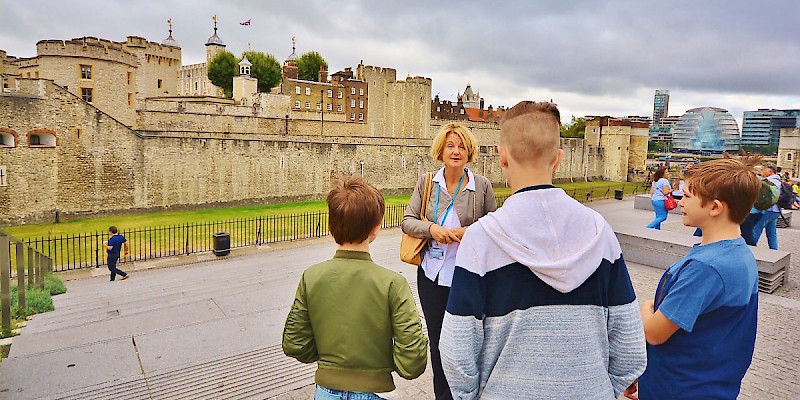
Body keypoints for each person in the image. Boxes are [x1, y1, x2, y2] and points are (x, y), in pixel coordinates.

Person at [440, 101, 646, 399]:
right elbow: (630, 349)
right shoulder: (601, 234)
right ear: (559, 158)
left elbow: (458, 349)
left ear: (503, 156)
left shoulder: (481, 239)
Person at [282, 176, 428, 399]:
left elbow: (294, 343)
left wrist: (330, 362)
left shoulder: (311, 277)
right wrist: (380, 366)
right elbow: (413, 359)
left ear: (331, 226)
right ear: (375, 229)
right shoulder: (392, 283)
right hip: (375, 391)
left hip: (325, 391)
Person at [629, 157, 761, 399]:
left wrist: (646, 307)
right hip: (706, 384)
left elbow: (655, 333)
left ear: (715, 207)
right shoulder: (739, 253)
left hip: (680, 388)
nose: (681, 202)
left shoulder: (706, 267)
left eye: (688, 196)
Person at [401, 122, 497, 400]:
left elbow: (494, 226)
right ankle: (443, 396)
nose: (457, 151)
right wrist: (432, 230)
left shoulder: (482, 187)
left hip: (467, 277)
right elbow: (407, 222)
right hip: (432, 276)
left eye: (462, 146)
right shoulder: (427, 182)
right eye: (450, 145)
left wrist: (469, 232)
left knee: (468, 341)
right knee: (438, 343)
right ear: (440, 151)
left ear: (470, 151)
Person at [751, 162, 782, 249]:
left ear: (770, 171)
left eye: (763, 169)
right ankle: (774, 251)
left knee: (756, 230)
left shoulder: (770, 182)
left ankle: (751, 249)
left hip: (767, 210)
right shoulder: (779, 180)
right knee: (771, 233)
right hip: (776, 210)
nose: (761, 171)